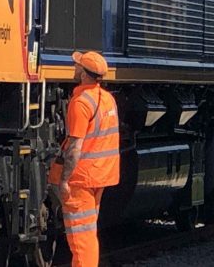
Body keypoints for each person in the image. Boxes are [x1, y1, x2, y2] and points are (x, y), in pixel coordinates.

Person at [48, 51, 120, 267]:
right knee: (88, 232)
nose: (74, 67)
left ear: (83, 74)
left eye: (77, 65)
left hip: (80, 179)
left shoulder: (80, 103)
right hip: (100, 176)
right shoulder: (108, 99)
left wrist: (64, 180)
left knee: (81, 239)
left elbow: (75, 147)